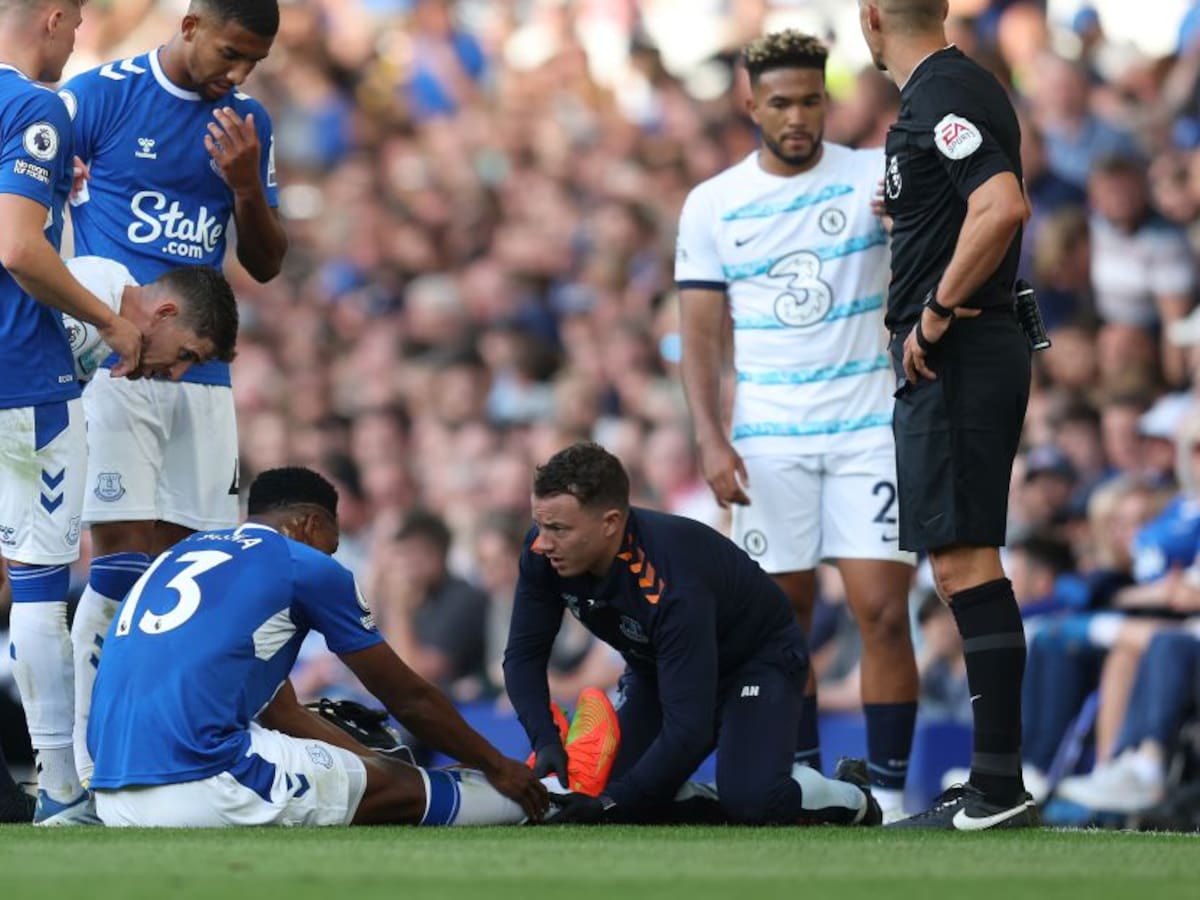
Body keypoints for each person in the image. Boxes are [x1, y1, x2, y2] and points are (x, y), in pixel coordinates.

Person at [676, 29, 917, 819]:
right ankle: (811, 782)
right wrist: (712, 438)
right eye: (780, 102)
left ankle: (890, 787)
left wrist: (903, 224)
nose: (798, 116)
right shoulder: (714, 203)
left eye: (811, 99)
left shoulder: (875, 177)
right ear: (751, 103)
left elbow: (931, 256)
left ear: (827, 99)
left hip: (867, 427)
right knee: (784, 625)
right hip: (769, 439)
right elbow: (703, 338)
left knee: (882, 610)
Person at [59, 0, 288, 787]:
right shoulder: (100, 96)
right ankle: (91, 769)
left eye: (253, 62)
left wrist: (246, 186)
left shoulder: (246, 123)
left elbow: (265, 263)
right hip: (123, 363)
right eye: (230, 52)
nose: (238, 73)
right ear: (190, 26)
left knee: (194, 567)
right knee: (120, 558)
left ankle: (176, 754)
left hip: (203, 369)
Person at [88, 467, 549, 828]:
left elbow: (283, 712)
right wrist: (497, 764)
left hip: (111, 792)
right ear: (310, 524)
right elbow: (408, 697)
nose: (330, 557)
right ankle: (555, 801)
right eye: (331, 544)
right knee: (401, 790)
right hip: (201, 782)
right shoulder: (301, 564)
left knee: (379, 774)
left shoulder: (181, 557)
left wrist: (369, 762)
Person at [858, 0, 1037, 829]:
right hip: (967, 348)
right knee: (958, 559)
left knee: (966, 559)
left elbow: (1001, 206)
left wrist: (933, 312)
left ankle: (998, 785)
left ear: (870, 17)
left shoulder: (941, 95)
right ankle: (994, 777)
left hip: (956, 352)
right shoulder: (953, 90)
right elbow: (969, 201)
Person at [503, 442, 881, 827]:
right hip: (658, 668)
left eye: (558, 529)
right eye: (540, 524)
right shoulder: (542, 555)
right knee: (610, 791)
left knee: (752, 803)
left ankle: (853, 795)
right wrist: (545, 740)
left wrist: (612, 803)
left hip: (756, 663)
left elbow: (690, 729)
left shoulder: (670, 584)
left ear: (610, 523)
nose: (543, 542)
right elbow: (522, 657)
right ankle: (714, 798)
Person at [0, 0, 143, 827]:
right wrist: (108, 320)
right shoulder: (31, 106)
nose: (77, 42)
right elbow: (18, 246)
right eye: (80, 24)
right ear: (54, 16)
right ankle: (60, 786)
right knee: (39, 587)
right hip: (19, 382)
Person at [62, 256, 239, 382]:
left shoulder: (116, 289)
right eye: (185, 354)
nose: (175, 374)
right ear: (164, 313)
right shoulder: (92, 301)